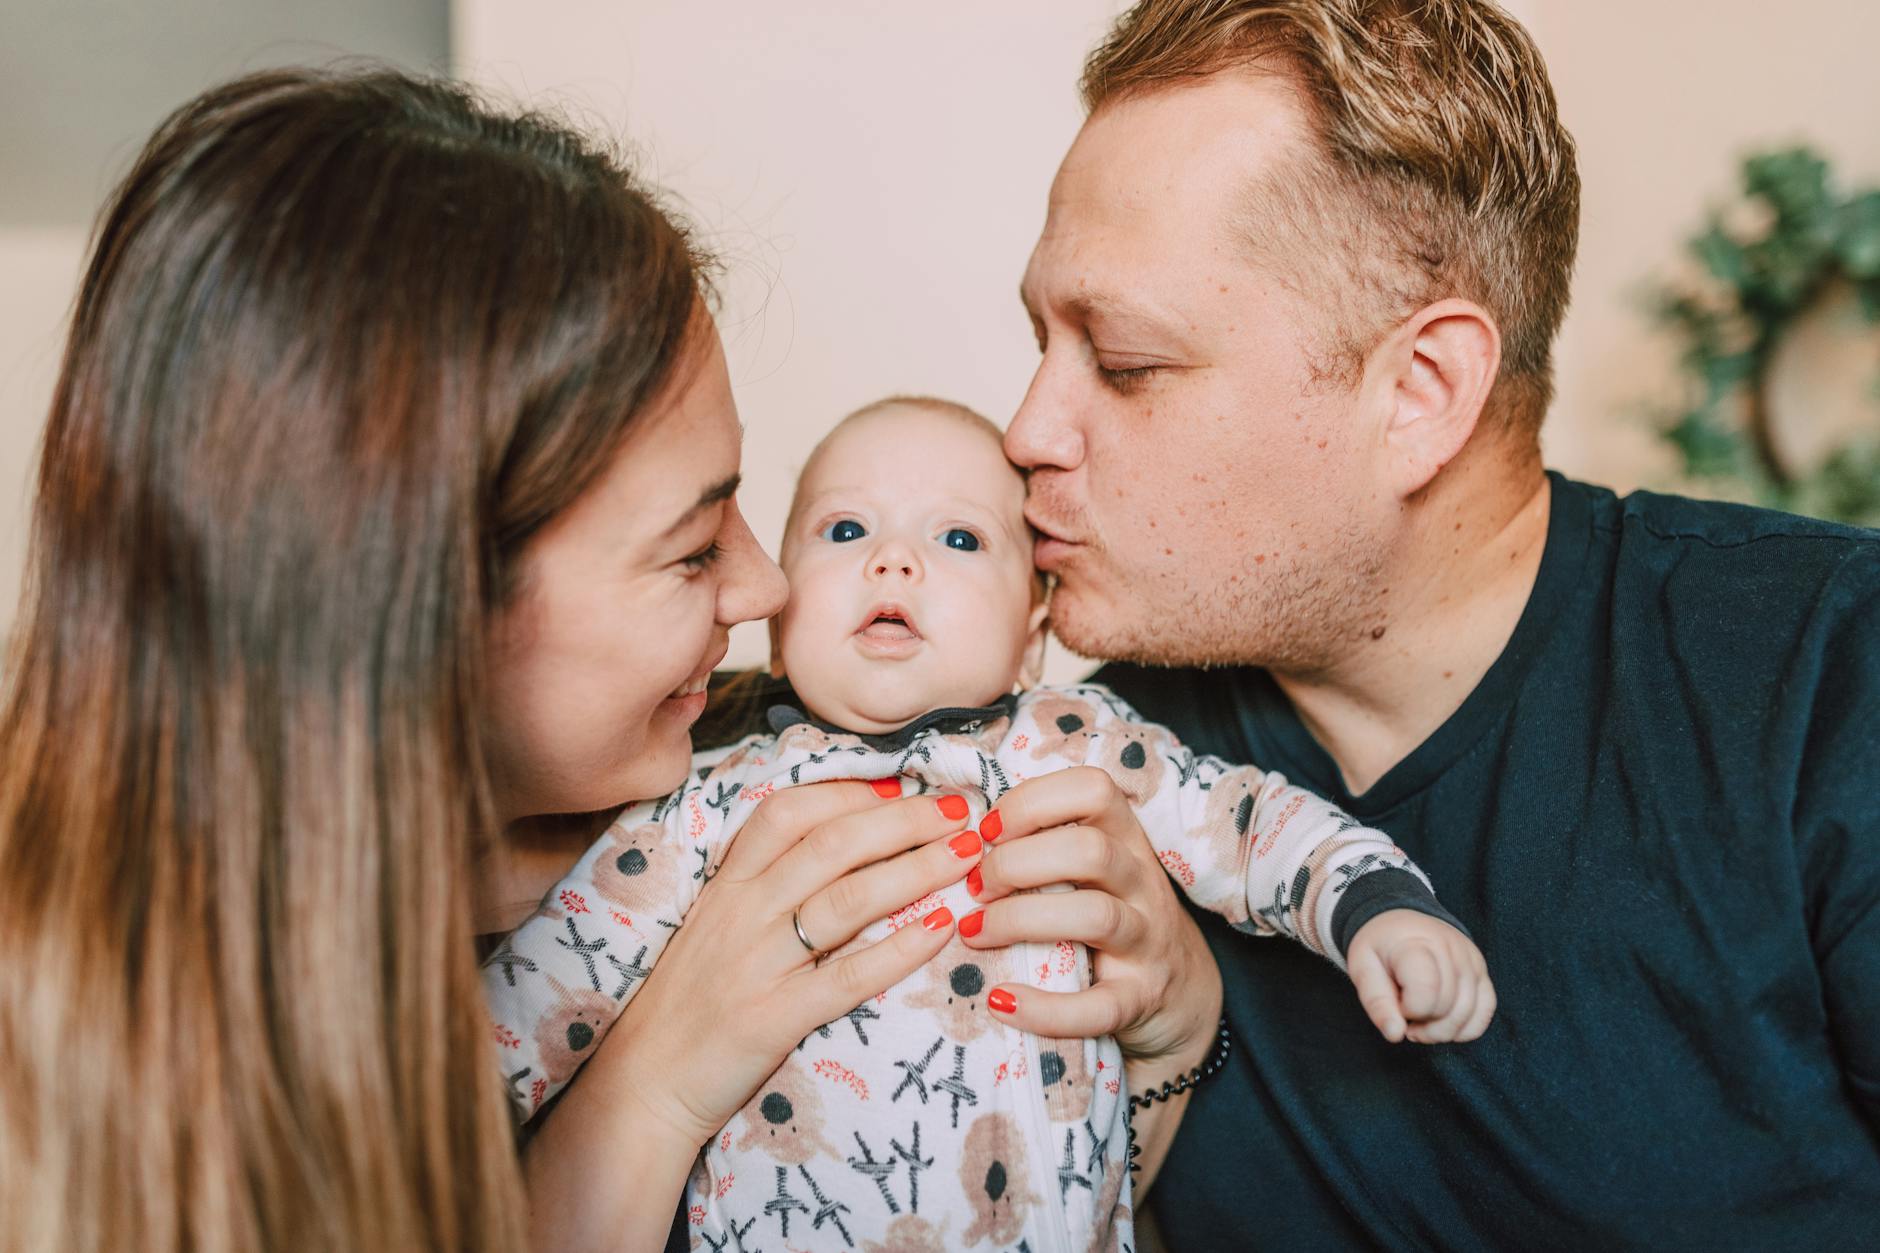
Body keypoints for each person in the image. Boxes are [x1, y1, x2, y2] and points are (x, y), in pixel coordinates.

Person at [0, 67, 1222, 1253]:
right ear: (422, 614)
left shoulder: (785, 753)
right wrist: (648, 1091)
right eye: (691, 550)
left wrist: (1171, 1040)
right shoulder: (94, 1082)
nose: (768, 587)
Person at [1003, 0, 1880, 1247]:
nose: (1026, 431)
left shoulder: (1826, 671)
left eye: (1125, 362)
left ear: (1418, 392)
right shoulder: (1084, 773)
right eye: (1039, 341)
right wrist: (1164, 1060)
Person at [485, 397, 1493, 1251]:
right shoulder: (712, 803)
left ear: (1032, 633)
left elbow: (1242, 820)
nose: (892, 561)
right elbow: (547, 981)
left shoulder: (1081, 748)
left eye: (958, 538)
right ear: (777, 618)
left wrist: (1372, 903)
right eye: (845, 530)